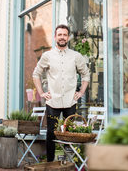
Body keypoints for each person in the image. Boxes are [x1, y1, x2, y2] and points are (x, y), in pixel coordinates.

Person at [33, 24, 90, 162]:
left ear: (68, 37)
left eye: (65, 35)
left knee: (70, 133)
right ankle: (51, 162)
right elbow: (36, 74)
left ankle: (69, 162)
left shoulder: (76, 56)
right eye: (60, 35)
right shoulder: (47, 56)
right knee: (51, 133)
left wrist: (81, 92)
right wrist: (41, 92)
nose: (62, 37)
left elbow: (86, 74)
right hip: (53, 101)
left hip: (71, 101)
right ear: (55, 37)